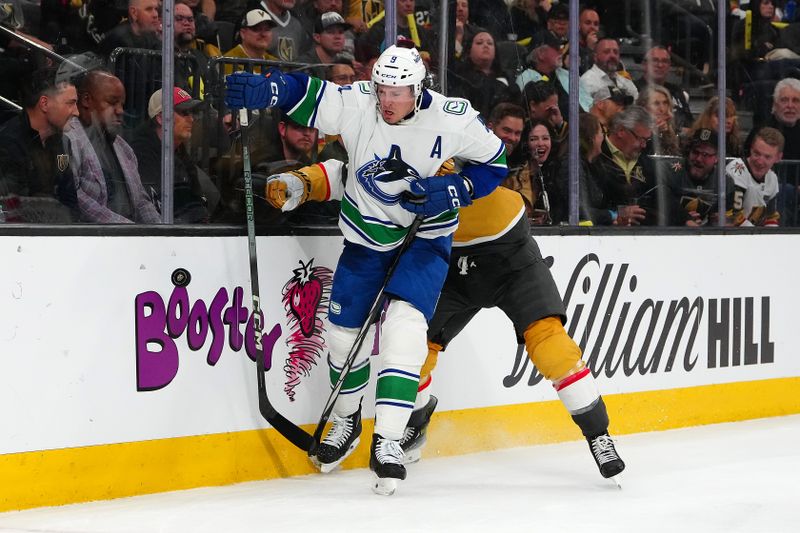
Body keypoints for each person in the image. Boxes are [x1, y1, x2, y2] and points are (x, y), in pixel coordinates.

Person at [225, 43, 507, 494]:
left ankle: (390, 440)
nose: (388, 100)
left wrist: (454, 189)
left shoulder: (452, 116)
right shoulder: (359, 103)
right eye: (383, 89)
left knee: (405, 331)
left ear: (419, 88)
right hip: (365, 241)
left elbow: (496, 163)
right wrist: (271, 88)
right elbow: (309, 92)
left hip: (425, 241)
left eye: (399, 92)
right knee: (340, 337)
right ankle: (347, 420)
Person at [260, 144, 627, 485]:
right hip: (450, 266)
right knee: (414, 349)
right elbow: (356, 177)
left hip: (509, 263)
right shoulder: (398, 149)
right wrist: (305, 181)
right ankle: (414, 426)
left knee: (549, 344)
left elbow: (490, 172)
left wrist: (453, 184)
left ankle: (599, 435)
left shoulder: (462, 148)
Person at [64, 70, 161, 224]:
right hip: (92, 240)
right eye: (112, 102)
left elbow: (141, 201)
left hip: (129, 238)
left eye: (122, 104)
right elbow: (75, 196)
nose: (120, 110)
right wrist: (124, 229)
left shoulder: (124, 149)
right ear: (86, 100)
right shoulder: (69, 139)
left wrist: (160, 232)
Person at [0, 67, 78, 223]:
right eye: (71, 103)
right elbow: (15, 209)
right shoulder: (8, 144)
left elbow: (68, 191)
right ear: (44, 104)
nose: (77, 112)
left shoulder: (61, 143)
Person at [127, 87, 210, 223]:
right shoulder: (141, 153)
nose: (191, 119)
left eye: (192, 113)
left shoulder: (180, 153)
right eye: (184, 112)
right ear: (160, 118)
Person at [589, 105, 657, 226]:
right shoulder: (595, 156)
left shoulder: (647, 163)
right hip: (603, 233)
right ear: (621, 131)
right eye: (640, 139)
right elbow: (588, 206)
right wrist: (617, 214)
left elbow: (657, 201)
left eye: (647, 140)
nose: (644, 145)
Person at [555, 113, 615, 225]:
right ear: (592, 138)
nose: (603, 137)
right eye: (601, 132)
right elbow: (579, 211)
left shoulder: (594, 165)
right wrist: (611, 215)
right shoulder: (572, 165)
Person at [447, 30, 521, 119]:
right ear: (469, 50)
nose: (485, 46)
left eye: (490, 43)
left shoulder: (507, 79)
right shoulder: (460, 78)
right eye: (479, 43)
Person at [662, 128, 727, 226]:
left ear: (717, 158)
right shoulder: (670, 172)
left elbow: (729, 221)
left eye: (705, 155)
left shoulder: (724, 181)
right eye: (695, 152)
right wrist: (682, 218)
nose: (698, 159)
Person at [502, 119, 558, 224]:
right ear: (525, 144)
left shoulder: (557, 172)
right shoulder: (513, 176)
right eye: (533, 139)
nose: (540, 143)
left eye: (545, 138)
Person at [725, 126, 783, 226]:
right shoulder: (737, 169)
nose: (760, 161)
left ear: (778, 158)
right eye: (756, 153)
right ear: (751, 149)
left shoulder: (772, 178)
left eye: (767, 157)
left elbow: (771, 217)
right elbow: (732, 217)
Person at [634, 45, 693, 133]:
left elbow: (690, 124)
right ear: (644, 65)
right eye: (655, 60)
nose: (660, 65)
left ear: (669, 66)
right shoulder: (633, 89)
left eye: (665, 61)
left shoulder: (677, 91)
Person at [580, 38, 638, 102]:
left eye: (615, 52)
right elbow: (587, 110)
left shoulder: (625, 80)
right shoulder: (587, 81)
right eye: (606, 52)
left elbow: (636, 104)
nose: (612, 56)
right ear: (595, 57)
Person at [296, 12, 352, 79]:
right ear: (317, 38)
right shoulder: (304, 65)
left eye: (341, 32)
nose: (338, 37)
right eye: (331, 32)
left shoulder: (342, 63)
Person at [223, 9, 279, 75]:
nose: (263, 34)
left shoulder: (275, 62)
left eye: (267, 29)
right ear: (243, 34)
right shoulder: (229, 61)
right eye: (256, 29)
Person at [97, 0, 162, 56]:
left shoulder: (151, 36)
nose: (155, 15)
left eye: (156, 9)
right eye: (149, 9)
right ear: (134, 13)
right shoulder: (116, 40)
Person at [636, 85, 681, 156]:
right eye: (656, 103)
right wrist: (653, 134)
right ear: (643, 107)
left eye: (665, 103)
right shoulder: (633, 130)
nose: (662, 109)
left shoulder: (675, 130)